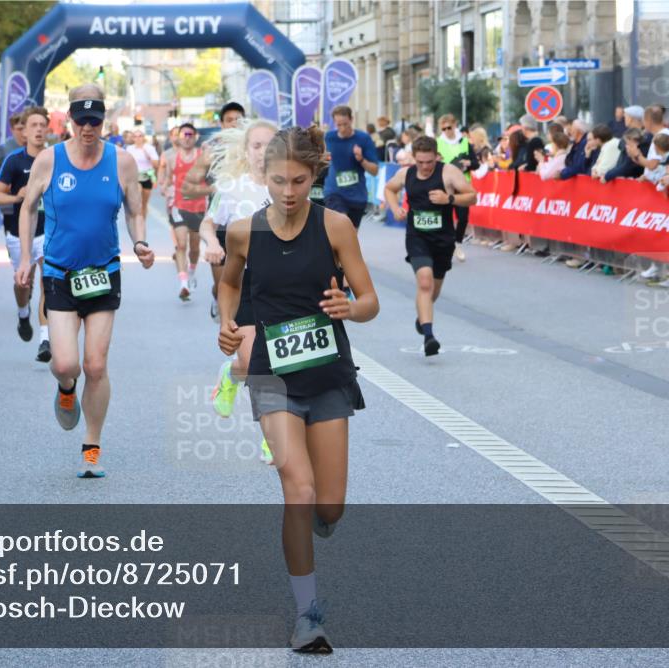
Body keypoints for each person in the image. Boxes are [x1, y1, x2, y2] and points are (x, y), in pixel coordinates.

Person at [216, 126, 378, 653]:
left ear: (315, 177)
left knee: (329, 507)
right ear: (263, 176)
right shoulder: (244, 231)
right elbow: (229, 281)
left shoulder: (335, 226)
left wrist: (349, 307)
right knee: (299, 490)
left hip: (328, 375)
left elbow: (370, 300)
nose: (288, 192)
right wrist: (228, 323)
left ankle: (319, 522)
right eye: (279, 181)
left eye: (299, 182)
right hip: (273, 376)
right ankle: (308, 615)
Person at [13, 84, 155, 478]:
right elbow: (28, 209)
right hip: (59, 273)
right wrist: (25, 258)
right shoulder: (49, 160)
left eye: (94, 121)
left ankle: (91, 446)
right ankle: (65, 388)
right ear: (70, 121)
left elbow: (135, 210)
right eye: (81, 121)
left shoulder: (122, 162)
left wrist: (140, 242)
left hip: (103, 273)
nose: (88, 128)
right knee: (65, 364)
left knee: (95, 365)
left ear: (103, 120)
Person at [198, 119, 278, 461]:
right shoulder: (232, 189)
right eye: (256, 145)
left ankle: (273, 435)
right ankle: (231, 375)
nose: (262, 152)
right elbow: (208, 224)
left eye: (269, 145)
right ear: (246, 151)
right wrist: (212, 243)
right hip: (243, 284)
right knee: (251, 362)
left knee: (276, 364)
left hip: (282, 287)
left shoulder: (288, 189)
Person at [384, 135, 478, 356]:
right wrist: (395, 208)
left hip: (443, 240)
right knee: (424, 282)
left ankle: (423, 317)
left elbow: (472, 197)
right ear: (414, 158)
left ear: (437, 156)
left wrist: (450, 199)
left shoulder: (448, 172)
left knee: (433, 290)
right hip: (417, 237)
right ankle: (429, 336)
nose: (425, 167)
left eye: (429, 162)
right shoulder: (406, 173)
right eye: (420, 162)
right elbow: (389, 189)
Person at [0, 107, 52, 361]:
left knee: (48, 282)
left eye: (42, 125)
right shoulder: (14, 161)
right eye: (33, 125)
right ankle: (23, 312)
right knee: (22, 283)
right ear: (24, 132)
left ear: (48, 130)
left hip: (48, 232)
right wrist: (18, 196)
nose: (38, 129)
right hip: (19, 233)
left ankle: (45, 339)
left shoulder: (55, 158)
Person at [169, 123, 208, 301]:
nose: (186, 138)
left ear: (195, 136)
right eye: (183, 134)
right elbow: (167, 180)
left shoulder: (203, 156)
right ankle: (183, 284)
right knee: (181, 245)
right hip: (179, 207)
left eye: (189, 134)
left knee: (194, 248)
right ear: (178, 137)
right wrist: (166, 189)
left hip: (199, 208)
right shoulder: (172, 158)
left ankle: (191, 271)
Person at [324, 105, 378, 230]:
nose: (342, 128)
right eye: (339, 125)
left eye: (345, 124)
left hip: (357, 195)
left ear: (351, 120)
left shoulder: (363, 139)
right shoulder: (328, 138)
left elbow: (374, 171)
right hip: (334, 192)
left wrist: (361, 159)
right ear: (334, 123)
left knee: (351, 236)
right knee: (342, 226)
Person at [436, 113, 478, 262]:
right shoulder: (437, 143)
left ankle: (457, 244)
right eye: (443, 129)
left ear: (455, 125)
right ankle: (446, 244)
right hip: (444, 185)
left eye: (449, 127)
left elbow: (476, 163)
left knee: (463, 217)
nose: (447, 131)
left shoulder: (464, 142)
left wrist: (468, 163)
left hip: (462, 185)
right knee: (445, 216)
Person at [125, 127, 158, 219]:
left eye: (140, 136)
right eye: (135, 136)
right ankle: (136, 219)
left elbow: (156, 164)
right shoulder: (129, 149)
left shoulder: (149, 148)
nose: (138, 138)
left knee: (144, 203)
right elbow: (126, 163)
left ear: (143, 137)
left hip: (147, 176)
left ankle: (142, 222)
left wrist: (148, 156)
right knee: (138, 200)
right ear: (133, 138)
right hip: (135, 176)